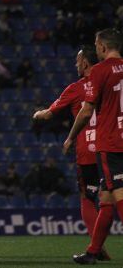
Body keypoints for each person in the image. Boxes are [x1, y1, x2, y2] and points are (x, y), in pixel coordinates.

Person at [33, 46, 109, 246]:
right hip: (110, 147)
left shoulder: (76, 88)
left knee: (86, 197)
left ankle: (96, 246)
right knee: (113, 195)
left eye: (77, 61)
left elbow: (49, 113)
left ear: (84, 63)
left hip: (87, 151)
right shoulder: (110, 82)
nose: (76, 64)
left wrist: (37, 114)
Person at [63, 28, 123, 264]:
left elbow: (87, 110)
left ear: (103, 47)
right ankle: (93, 251)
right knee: (106, 198)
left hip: (110, 143)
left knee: (118, 193)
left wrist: (71, 136)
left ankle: (93, 250)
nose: (96, 48)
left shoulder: (100, 70)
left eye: (97, 45)